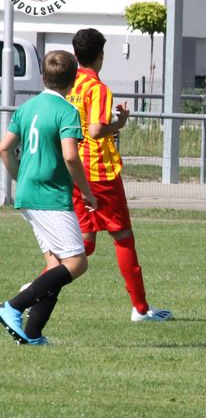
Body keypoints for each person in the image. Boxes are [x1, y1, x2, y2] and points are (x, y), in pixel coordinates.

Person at [67, 28, 172, 322]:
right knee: (123, 237)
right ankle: (141, 309)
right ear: (100, 56)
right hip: (99, 171)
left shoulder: (70, 85)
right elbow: (96, 130)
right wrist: (120, 123)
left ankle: (38, 286)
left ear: (76, 54)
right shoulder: (98, 88)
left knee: (85, 241)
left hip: (74, 169)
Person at [0, 50, 98, 345]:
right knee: (77, 263)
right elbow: (70, 156)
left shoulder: (27, 107)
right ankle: (12, 306)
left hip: (28, 193)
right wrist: (87, 192)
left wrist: (20, 178)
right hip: (51, 195)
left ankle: (33, 333)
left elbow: (4, 148)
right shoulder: (67, 111)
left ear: (43, 76)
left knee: (55, 265)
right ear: (74, 79)